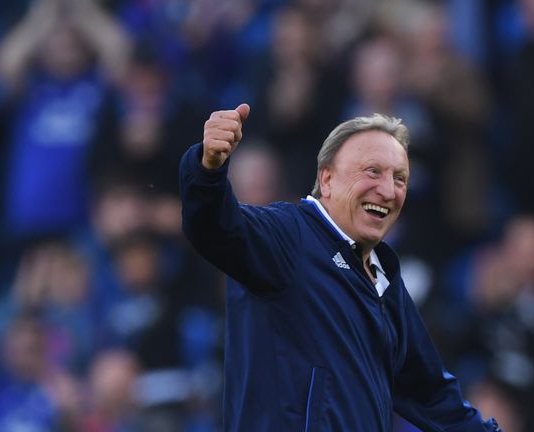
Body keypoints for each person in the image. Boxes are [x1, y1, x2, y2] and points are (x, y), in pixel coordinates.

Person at [179, 103, 500, 431]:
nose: (388, 190)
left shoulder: (384, 277)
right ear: (327, 179)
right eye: (373, 171)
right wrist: (207, 171)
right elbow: (214, 228)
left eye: (400, 178)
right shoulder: (289, 236)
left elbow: (430, 394)